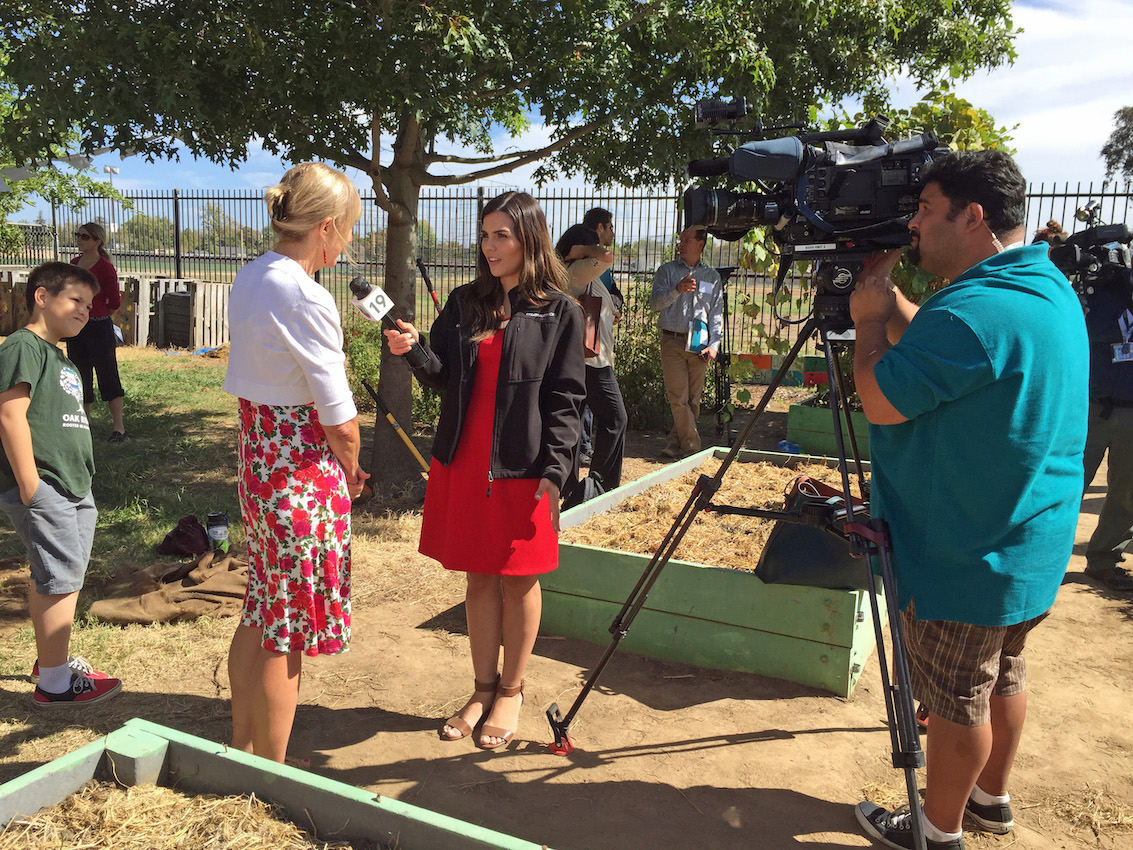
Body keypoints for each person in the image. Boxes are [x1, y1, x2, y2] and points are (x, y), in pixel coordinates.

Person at [849, 150, 1089, 849]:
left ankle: (935, 829)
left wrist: (867, 322)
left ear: (973, 215)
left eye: (925, 208)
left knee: (954, 700)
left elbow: (881, 398)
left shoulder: (975, 310)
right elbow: (959, 352)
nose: (912, 221)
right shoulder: (1032, 284)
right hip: (1026, 542)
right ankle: (989, 799)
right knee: (1000, 676)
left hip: (965, 550)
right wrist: (895, 306)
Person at [384, 191, 585, 750]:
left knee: (520, 579)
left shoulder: (561, 311)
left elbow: (568, 397)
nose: (489, 245)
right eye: (485, 234)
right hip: (467, 462)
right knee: (478, 578)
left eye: (502, 234)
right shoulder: (465, 302)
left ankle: (512, 693)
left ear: (528, 239)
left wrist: (558, 469)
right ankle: (480, 690)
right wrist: (413, 350)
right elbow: (446, 376)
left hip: (525, 465)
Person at [222, 162, 369, 763]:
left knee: (263, 604)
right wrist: (353, 468)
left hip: (259, 458)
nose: (351, 242)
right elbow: (339, 418)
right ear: (326, 228)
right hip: (298, 471)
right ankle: (271, 772)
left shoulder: (251, 274)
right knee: (285, 627)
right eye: (350, 230)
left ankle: (241, 746)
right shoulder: (305, 295)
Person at [0, 262, 122, 706]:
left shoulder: (59, 354)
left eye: (89, 305)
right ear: (42, 297)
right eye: (75, 300)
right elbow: (10, 414)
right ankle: (54, 685)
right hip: (44, 483)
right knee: (61, 577)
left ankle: (49, 658)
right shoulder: (22, 345)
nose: (84, 311)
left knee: (55, 573)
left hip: (72, 482)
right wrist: (30, 484)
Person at [556, 208, 627, 493]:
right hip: (592, 359)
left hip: (582, 356)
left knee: (574, 422)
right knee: (615, 418)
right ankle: (600, 484)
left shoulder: (581, 274)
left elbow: (609, 294)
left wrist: (613, 306)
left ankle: (571, 486)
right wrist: (583, 247)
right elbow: (606, 256)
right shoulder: (579, 270)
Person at [1079, 247, 1133, 591]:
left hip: (1130, 409)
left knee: (1127, 493)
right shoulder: (1092, 300)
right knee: (1065, 486)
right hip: (1089, 408)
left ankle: (1104, 558)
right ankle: (1039, 555)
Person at [650, 226, 723, 458]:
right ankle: (692, 446)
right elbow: (655, 304)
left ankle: (674, 442)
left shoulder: (712, 276)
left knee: (693, 400)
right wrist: (677, 290)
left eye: (687, 240)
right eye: (680, 240)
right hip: (672, 340)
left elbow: (716, 313)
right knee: (678, 397)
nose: (681, 244)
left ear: (700, 245)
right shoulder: (667, 271)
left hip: (700, 344)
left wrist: (715, 344)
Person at [68, 222, 126, 442]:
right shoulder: (73, 264)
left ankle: (119, 427)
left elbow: (115, 300)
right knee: (78, 373)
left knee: (107, 373)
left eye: (85, 236)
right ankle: (84, 423)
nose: (79, 240)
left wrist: (99, 312)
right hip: (76, 325)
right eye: (78, 235)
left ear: (97, 241)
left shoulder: (104, 266)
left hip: (99, 325)